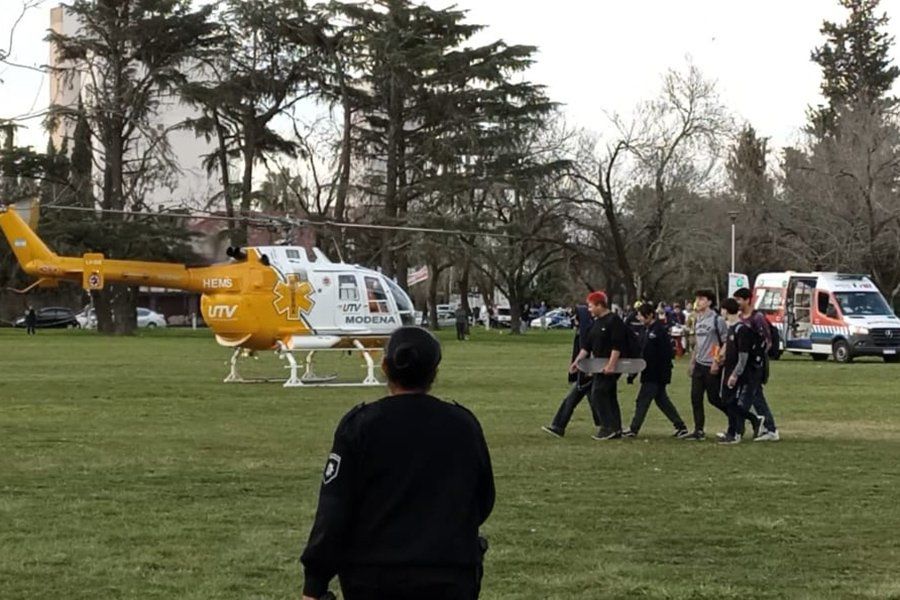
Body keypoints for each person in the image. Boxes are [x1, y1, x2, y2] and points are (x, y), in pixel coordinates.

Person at [301, 327, 494, 600]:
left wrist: (314, 583)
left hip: (373, 577)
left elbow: (334, 509)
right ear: (434, 372)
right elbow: (483, 500)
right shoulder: (463, 425)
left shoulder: (361, 426)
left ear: (384, 367)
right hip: (449, 574)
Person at [622, 304, 689, 438]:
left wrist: (663, 371)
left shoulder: (659, 331)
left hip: (657, 373)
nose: (639, 318)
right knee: (662, 400)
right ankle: (680, 426)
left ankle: (634, 429)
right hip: (647, 372)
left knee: (643, 400)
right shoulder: (645, 330)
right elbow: (641, 352)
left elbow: (666, 353)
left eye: (641, 315)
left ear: (650, 315)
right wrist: (633, 372)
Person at [569, 291, 628, 440]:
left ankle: (607, 427)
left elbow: (617, 346)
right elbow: (587, 346)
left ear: (600, 305)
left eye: (590, 306)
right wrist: (577, 362)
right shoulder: (596, 323)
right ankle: (616, 428)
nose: (589, 309)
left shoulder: (613, 321)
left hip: (609, 365)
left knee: (598, 394)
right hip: (597, 365)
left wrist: (611, 365)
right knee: (609, 396)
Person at [542, 305, 601, 437]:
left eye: (576, 318)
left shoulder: (588, 333)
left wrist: (588, 368)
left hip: (587, 371)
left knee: (572, 400)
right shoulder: (582, 332)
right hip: (584, 370)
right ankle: (605, 425)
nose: (574, 321)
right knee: (594, 400)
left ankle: (558, 426)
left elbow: (590, 350)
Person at [733, 288, 780, 441]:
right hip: (744, 364)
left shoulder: (757, 317)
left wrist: (756, 357)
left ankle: (738, 429)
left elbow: (767, 341)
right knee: (756, 397)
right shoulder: (739, 318)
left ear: (747, 300)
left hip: (755, 365)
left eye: (739, 299)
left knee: (749, 398)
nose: (737, 303)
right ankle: (768, 427)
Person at [718, 298, 766, 444]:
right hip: (728, 368)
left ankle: (737, 431)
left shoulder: (741, 329)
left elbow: (743, 356)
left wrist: (735, 374)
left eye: (722, 309)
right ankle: (743, 425)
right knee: (727, 401)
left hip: (737, 372)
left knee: (731, 401)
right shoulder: (732, 328)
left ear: (726, 310)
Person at [685, 289, 729, 441]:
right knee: (695, 397)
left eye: (702, 299)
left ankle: (738, 417)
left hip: (712, 364)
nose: (698, 302)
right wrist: (692, 362)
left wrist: (717, 361)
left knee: (714, 398)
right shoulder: (698, 319)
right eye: (697, 299)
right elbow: (698, 343)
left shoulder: (717, 320)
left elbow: (724, 342)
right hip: (699, 363)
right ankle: (698, 430)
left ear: (709, 302)